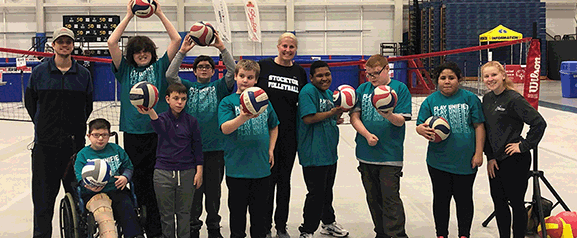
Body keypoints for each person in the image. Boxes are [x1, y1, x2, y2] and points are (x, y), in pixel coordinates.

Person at [107, 0, 182, 236]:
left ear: (152, 53)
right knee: (137, 180)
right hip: (133, 133)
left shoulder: (160, 68)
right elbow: (111, 42)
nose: (142, 54)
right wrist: (128, 16)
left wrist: (159, 13)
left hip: (157, 132)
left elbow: (177, 40)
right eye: (138, 52)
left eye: (146, 51)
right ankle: (137, 225)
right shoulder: (125, 70)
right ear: (132, 55)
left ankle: (157, 228)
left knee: (157, 182)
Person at [24, 26, 93, 238]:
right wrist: (45, 126)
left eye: (68, 42)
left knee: (80, 203)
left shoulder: (83, 75)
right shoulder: (39, 73)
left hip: (74, 151)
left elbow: (87, 107)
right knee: (43, 205)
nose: (64, 45)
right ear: (53, 45)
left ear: (73, 46)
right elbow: (31, 104)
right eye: (60, 41)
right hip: (45, 149)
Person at [166, 32, 235, 238]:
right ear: (194, 71)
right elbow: (170, 75)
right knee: (193, 193)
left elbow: (232, 71)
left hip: (215, 150)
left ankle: (213, 227)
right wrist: (182, 52)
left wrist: (222, 48)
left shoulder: (220, 87)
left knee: (213, 193)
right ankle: (193, 228)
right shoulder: (188, 88)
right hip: (191, 152)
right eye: (200, 67)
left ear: (213, 71)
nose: (204, 69)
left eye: (207, 67)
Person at [415, 62, 485, 238]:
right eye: (443, 78)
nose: (447, 81)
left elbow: (479, 126)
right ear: (437, 81)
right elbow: (420, 125)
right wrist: (420, 129)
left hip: (466, 160)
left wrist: (478, 153)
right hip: (438, 161)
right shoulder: (430, 101)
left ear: (459, 79)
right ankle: (441, 234)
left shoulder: (470, 99)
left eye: (451, 78)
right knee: (440, 200)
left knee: (464, 200)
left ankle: (464, 234)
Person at [481, 61, 547, 238]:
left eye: (493, 75)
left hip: (515, 159)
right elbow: (487, 131)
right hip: (496, 160)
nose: (490, 79)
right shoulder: (487, 99)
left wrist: (524, 145)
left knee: (516, 203)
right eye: (486, 76)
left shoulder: (514, 99)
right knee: (499, 202)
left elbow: (539, 123)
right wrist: (490, 157)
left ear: (503, 75)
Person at [349, 54, 411, 238]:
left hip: (390, 155)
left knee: (390, 198)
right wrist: (367, 135)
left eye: (375, 73)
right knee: (373, 198)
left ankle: (397, 234)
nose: (372, 78)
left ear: (387, 69)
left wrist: (387, 114)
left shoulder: (399, 89)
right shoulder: (363, 89)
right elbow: (354, 117)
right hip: (366, 152)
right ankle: (381, 233)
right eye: (368, 74)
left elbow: (401, 121)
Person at [218, 59, 279, 238]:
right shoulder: (228, 102)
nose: (245, 80)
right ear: (235, 76)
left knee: (259, 219)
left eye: (250, 77)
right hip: (237, 169)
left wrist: (271, 149)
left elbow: (274, 125)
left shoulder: (263, 100)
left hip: (261, 169)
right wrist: (243, 116)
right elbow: (225, 128)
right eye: (242, 76)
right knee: (237, 219)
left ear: (256, 80)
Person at [256, 32, 308, 238]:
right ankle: (265, 226)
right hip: (264, 133)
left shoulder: (299, 73)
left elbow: (305, 101)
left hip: (288, 134)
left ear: (296, 50)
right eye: (284, 46)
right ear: (278, 46)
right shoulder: (264, 66)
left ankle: (281, 227)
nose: (287, 50)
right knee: (266, 181)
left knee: (284, 181)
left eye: (291, 47)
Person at [138, 83, 204, 238]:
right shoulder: (161, 118)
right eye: (176, 98)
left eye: (183, 99)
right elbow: (160, 129)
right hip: (163, 173)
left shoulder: (191, 121)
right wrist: (150, 111)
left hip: (187, 172)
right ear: (167, 99)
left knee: (184, 214)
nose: (179, 102)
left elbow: (197, 147)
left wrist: (199, 171)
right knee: (166, 215)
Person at [296, 60, 348, 238]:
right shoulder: (308, 91)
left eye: (327, 74)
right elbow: (308, 118)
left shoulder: (327, 93)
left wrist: (337, 115)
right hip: (313, 152)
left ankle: (327, 223)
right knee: (316, 193)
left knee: (327, 191)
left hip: (329, 152)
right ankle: (307, 230)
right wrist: (332, 113)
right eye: (320, 75)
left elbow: (327, 116)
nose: (324, 78)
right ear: (311, 78)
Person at [74, 118, 144, 238]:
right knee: (104, 216)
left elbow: (128, 167)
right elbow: (79, 178)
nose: (100, 138)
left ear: (109, 135)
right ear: (89, 136)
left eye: (104, 135)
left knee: (126, 207)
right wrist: (88, 186)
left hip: (116, 190)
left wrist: (125, 177)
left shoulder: (116, 150)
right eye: (96, 135)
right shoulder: (83, 155)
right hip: (93, 194)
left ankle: (135, 235)